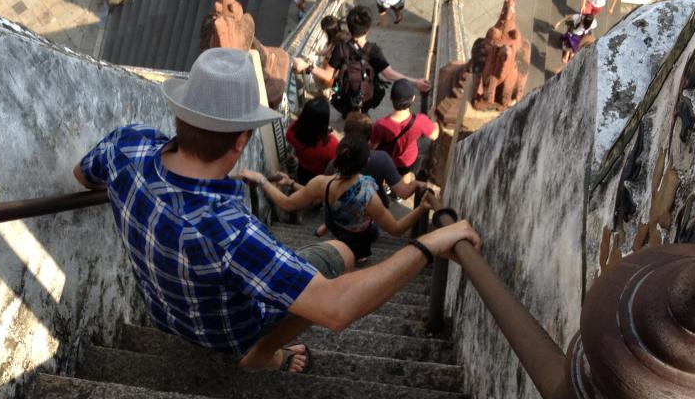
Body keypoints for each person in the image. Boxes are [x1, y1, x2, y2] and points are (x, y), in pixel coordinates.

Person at [74, 47, 480, 373]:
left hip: (166, 313)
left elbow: (82, 175)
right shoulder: (229, 231)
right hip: (228, 334)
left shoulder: (127, 145)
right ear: (240, 142)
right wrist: (429, 244)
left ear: (182, 115)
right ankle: (263, 352)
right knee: (340, 254)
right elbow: (336, 309)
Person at [243, 133, 432, 262]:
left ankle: (327, 229)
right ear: (366, 162)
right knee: (371, 233)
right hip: (358, 238)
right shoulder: (367, 196)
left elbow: (287, 203)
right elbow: (396, 229)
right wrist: (421, 209)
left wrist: (261, 179)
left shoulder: (320, 183)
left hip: (336, 226)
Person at [327, 5, 431, 116]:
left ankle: (347, 115)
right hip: (367, 95)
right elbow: (390, 75)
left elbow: (327, 75)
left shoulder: (340, 48)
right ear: (367, 30)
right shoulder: (373, 50)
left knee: (347, 108)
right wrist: (416, 82)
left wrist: (310, 68)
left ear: (349, 27)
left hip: (345, 94)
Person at [371, 79, 439, 177]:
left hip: (387, 162)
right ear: (413, 99)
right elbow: (435, 135)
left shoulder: (380, 124)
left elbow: (373, 146)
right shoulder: (421, 121)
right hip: (407, 161)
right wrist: (434, 120)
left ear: (391, 98)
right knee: (405, 179)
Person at [286, 96, 339, 184]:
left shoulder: (292, 131)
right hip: (319, 177)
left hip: (302, 169)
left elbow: (290, 136)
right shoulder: (332, 145)